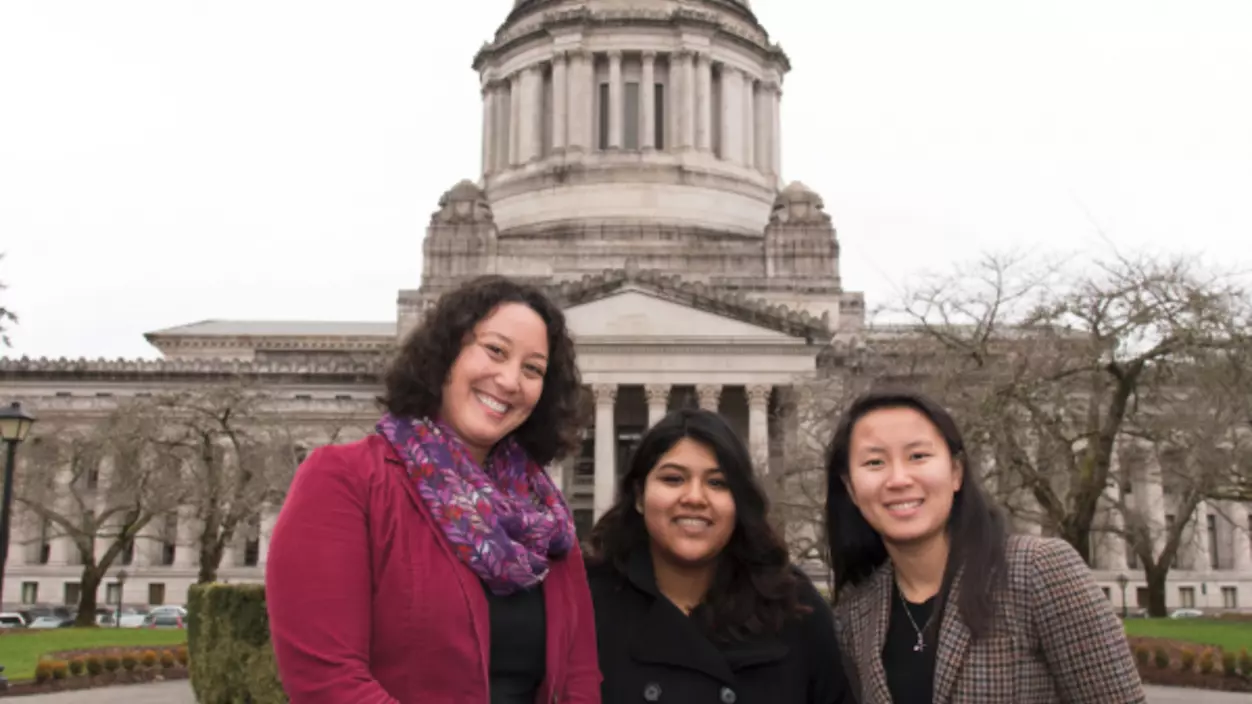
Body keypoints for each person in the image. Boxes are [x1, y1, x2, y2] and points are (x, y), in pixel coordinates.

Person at [265, 275, 601, 703]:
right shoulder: (346, 480)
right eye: (495, 350)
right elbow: (328, 681)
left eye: (533, 369)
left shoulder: (545, 519)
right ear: (447, 353)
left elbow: (579, 680)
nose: (510, 380)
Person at [824, 388, 1146, 703]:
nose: (899, 479)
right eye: (875, 463)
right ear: (851, 489)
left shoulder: (1039, 571)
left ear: (956, 472)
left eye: (918, 456)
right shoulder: (856, 614)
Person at [586, 408, 850, 704]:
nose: (695, 498)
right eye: (673, 479)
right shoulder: (586, 605)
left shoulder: (795, 608)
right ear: (638, 496)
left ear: (739, 502)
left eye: (717, 483)